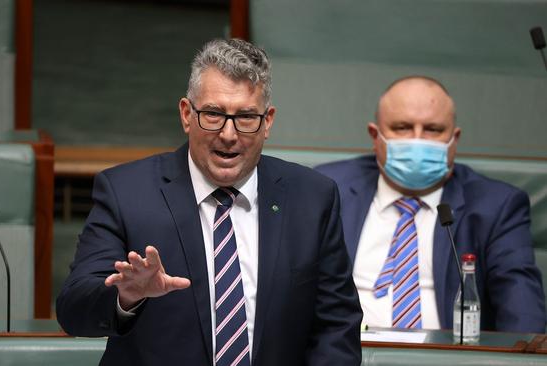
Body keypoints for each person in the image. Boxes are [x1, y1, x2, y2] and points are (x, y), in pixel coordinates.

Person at [57, 38, 362, 366]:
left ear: (267, 121)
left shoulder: (312, 198)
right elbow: (74, 310)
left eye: (246, 117)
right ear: (187, 114)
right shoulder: (126, 192)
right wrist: (126, 296)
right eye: (214, 114)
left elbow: (337, 328)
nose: (229, 134)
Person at [315, 76, 545, 332]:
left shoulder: (497, 206)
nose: (417, 140)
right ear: (375, 135)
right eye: (402, 127)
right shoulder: (326, 188)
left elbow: (523, 317)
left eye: (433, 129)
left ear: (453, 139)